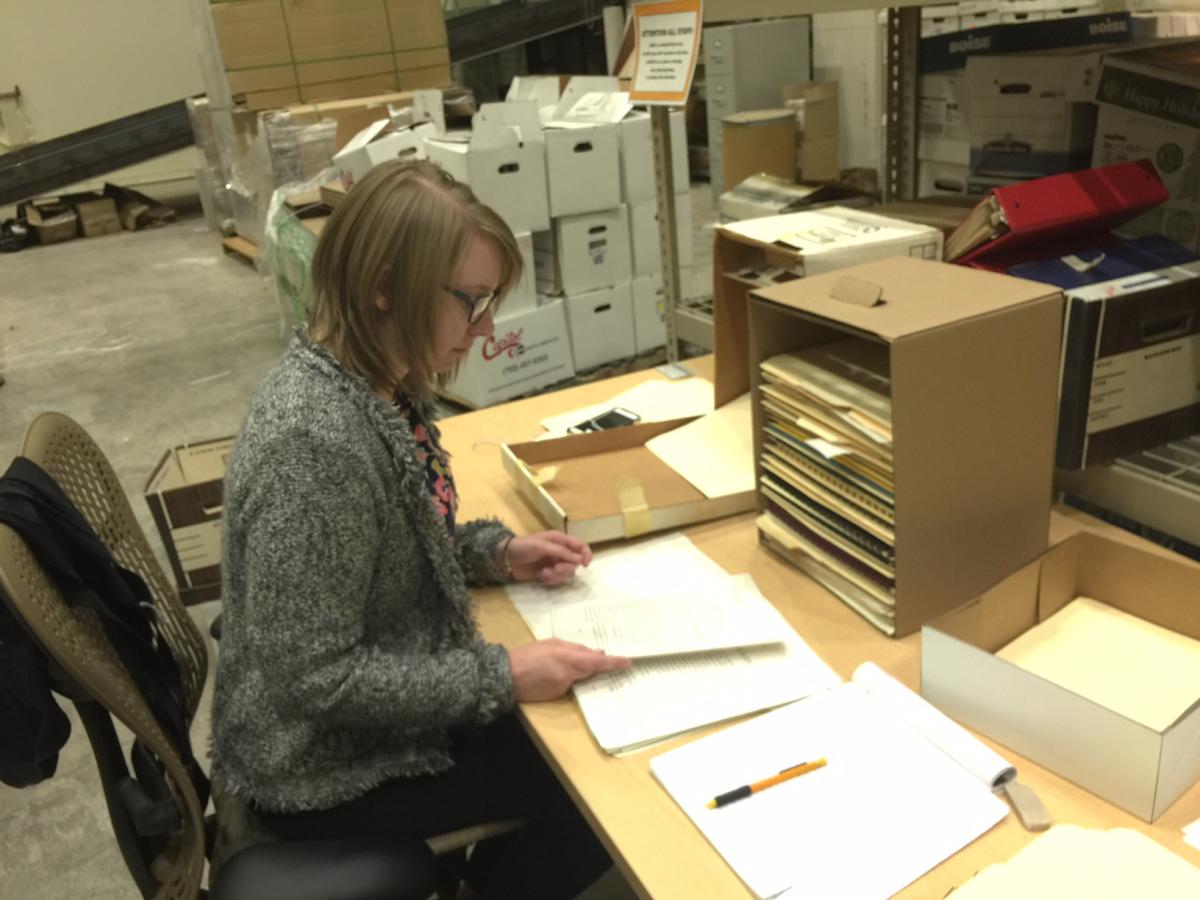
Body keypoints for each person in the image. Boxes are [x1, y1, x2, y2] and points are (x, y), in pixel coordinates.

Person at [210, 159, 631, 899]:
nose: (487, 327)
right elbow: (315, 680)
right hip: (321, 769)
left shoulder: (374, 382)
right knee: (596, 774)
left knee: (574, 722)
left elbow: (393, 540)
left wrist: (496, 551)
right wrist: (501, 675)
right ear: (383, 286)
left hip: (357, 720)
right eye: (472, 302)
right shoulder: (312, 445)